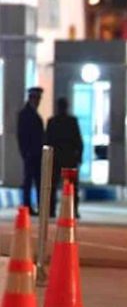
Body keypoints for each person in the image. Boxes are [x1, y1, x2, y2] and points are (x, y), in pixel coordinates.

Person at [44, 97, 84, 218]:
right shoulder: (72, 121)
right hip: (69, 159)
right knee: (72, 186)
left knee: (53, 186)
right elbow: (79, 141)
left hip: (56, 159)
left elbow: (47, 142)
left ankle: (51, 210)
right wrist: (79, 157)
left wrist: (47, 159)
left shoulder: (52, 121)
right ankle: (73, 210)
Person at [17, 87, 45, 215]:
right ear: (31, 98)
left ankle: (40, 206)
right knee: (28, 181)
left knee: (39, 181)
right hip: (30, 154)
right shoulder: (25, 114)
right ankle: (27, 206)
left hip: (37, 154)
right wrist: (25, 152)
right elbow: (21, 136)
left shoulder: (34, 114)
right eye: (37, 98)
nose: (38, 101)